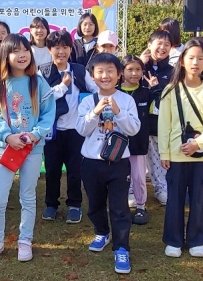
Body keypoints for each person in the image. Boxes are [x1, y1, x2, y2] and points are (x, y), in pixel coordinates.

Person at [0, 34, 56, 263]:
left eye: (25, 50)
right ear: (6, 55)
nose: (21, 55)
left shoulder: (38, 83)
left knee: (28, 196)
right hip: (6, 150)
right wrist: (7, 136)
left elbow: (48, 114)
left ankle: (25, 240)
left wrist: (34, 135)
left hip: (32, 150)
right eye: (15, 51)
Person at [76, 53, 141, 275]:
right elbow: (81, 130)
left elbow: (133, 129)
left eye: (111, 71)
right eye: (100, 71)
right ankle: (102, 232)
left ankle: (121, 247)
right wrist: (95, 112)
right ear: (93, 76)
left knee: (120, 207)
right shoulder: (87, 101)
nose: (105, 76)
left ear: (119, 74)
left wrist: (117, 112)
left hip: (119, 163)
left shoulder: (126, 100)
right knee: (95, 203)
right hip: (91, 163)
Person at [158, 38, 203, 259]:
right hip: (176, 156)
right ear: (182, 61)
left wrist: (198, 143)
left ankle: (196, 240)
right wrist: (165, 153)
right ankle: (173, 240)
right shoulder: (170, 90)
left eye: (200, 58)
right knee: (174, 200)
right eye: (191, 57)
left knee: (198, 200)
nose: (195, 62)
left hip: (202, 157)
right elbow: (164, 125)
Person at [38, 30, 97, 223]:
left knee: (75, 170)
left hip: (76, 131)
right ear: (49, 49)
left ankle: (74, 205)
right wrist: (62, 86)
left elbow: (95, 90)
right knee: (52, 170)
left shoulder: (79, 70)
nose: (61, 51)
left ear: (71, 49)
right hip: (52, 131)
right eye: (56, 47)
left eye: (65, 47)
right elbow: (41, 98)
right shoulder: (43, 71)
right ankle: (51, 204)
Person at [141, 30, 174, 205]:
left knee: (158, 160)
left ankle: (161, 188)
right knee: (136, 161)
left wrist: (156, 88)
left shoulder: (172, 71)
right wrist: (140, 63)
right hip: (138, 123)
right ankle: (133, 191)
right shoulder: (138, 66)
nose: (162, 48)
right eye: (159, 43)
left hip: (158, 125)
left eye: (167, 44)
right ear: (149, 44)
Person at [118, 55, 151, 225]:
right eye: (130, 69)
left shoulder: (147, 92)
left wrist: (156, 89)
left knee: (138, 176)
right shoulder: (115, 92)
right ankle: (119, 205)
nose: (134, 73)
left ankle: (140, 206)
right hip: (117, 145)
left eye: (138, 69)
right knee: (119, 176)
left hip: (139, 143)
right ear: (121, 72)